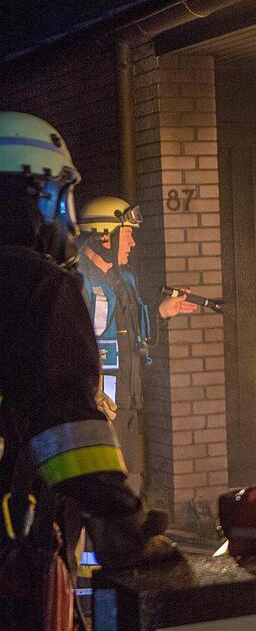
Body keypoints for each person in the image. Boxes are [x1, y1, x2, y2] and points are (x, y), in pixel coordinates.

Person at [0, 112, 178, 630]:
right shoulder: (34, 282)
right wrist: (125, 520)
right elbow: (68, 426)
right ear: (36, 195)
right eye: (62, 197)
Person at [77, 196, 197, 493]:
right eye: (127, 235)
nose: (131, 244)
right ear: (105, 237)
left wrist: (161, 311)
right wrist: (87, 389)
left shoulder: (124, 280)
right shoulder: (75, 282)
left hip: (128, 400)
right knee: (104, 482)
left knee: (132, 480)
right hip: (98, 404)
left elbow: (131, 334)